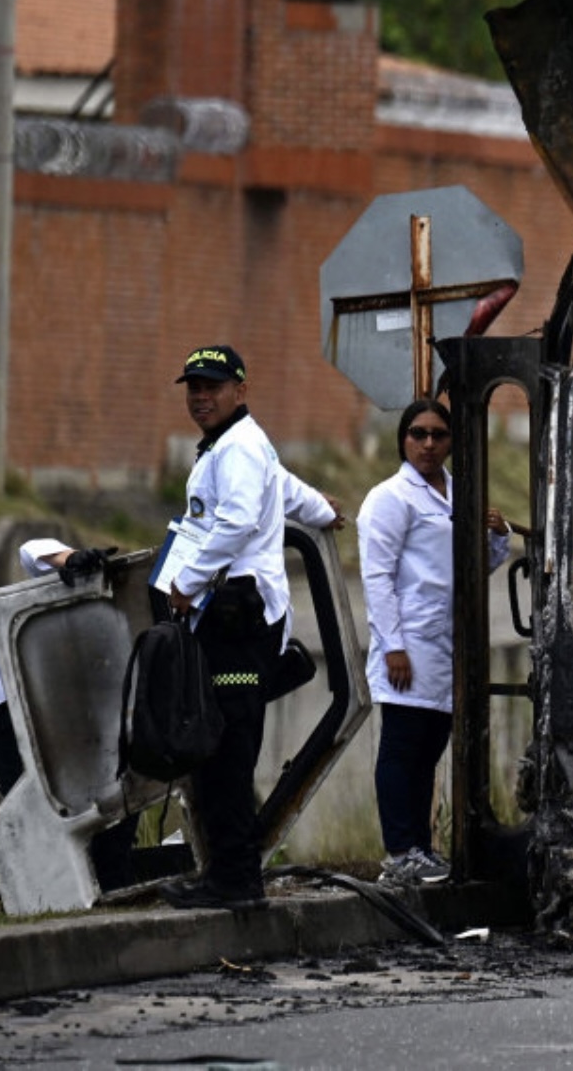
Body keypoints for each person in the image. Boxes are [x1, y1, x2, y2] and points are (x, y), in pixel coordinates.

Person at [160, 344, 345, 911]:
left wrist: (187, 581)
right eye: (194, 388)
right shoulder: (238, 445)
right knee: (222, 750)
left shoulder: (238, 447)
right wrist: (324, 511)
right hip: (234, 617)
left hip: (237, 621)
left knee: (228, 755)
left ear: (240, 391)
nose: (201, 397)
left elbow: (239, 520)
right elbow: (284, 489)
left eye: (212, 387)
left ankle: (236, 881)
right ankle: (227, 874)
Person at [357, 398, 511, 885]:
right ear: (402, 440)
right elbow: (377, 577)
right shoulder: (390, 498)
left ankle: (421, 850)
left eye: (438, 435)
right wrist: (393, 647)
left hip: (446, 646)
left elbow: (474, 566)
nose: (428, 444)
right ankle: (399, 852)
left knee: (428, 752)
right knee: (402, 748)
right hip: (409, 643)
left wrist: (498, 535)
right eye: (418, 434)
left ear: (452, 442)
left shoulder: (459, 494)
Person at [0, 538, 139, 892]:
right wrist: (70, 558)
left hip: (46, 684)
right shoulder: (111, 591)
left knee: (105, 776)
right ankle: (18, 894)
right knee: (25, 787)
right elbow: (31, 550)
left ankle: (103, 876)